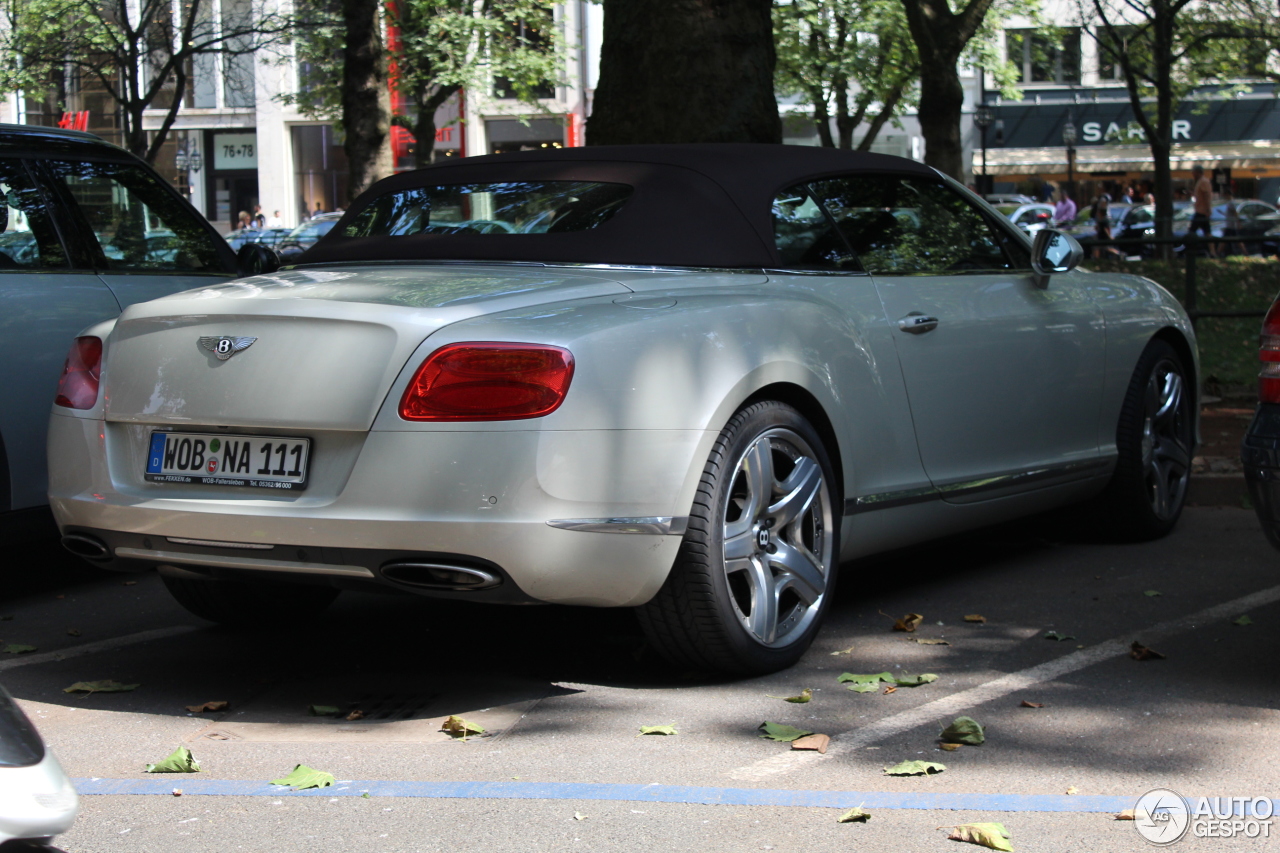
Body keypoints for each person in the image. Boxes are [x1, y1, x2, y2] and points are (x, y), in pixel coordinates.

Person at [1189, 164, 1216, 258]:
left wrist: (1208, 209)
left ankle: (1191, 251)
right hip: (1201, 211)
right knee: (1207, 232)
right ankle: (1212, 252)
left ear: (1197, 172)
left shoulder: (1203, 181)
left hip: (1201, 211)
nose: (1192, 174)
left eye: (1193, 172)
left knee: (1192, 231)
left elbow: (1206, 196)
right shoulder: (1200, 181)